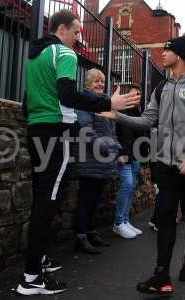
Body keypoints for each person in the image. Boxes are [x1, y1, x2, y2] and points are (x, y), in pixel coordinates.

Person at [17, 9, 140, 296]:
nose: (78, 38)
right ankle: (31, 277)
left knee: (41, 199)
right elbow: (68, 95)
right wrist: (108, 101)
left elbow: (26, 102)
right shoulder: (64, 54)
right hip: (56, 133)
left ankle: (39, 260)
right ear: (61, 30)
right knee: (48, 202)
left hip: (36, 130)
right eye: (76, 32)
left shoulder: (34, 55)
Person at [99, 36, 185, 296]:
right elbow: (148, 119)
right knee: (164, 214)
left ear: (181, 56)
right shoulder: (161, 88)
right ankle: (161, 274)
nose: (162, 54)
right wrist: (116, 115)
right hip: (165, 163)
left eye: (168, 50)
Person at [74, 69, 119, 254]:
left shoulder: (104, 104)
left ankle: (91, 232)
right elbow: (86, 130)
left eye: (102, 81)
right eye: (96, 82)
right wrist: (106, 148)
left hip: (103, 160)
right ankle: (80, 237)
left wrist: (116, 149)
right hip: (90, 158)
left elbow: (111, 132)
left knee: (95, 200)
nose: (100, 84)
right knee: (85, 200)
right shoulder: (84, 103)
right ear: (87, 84)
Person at [113, 84, 145, 239]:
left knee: (132, 187)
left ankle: (125, 220)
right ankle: (118, 223)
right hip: (124, 155)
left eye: (138, 95)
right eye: (132, 95)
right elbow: (114, 133)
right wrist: (119, 152)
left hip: (136, 156)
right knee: (127, 185)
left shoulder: (139, 114)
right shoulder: (120, 112)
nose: (135, 97)